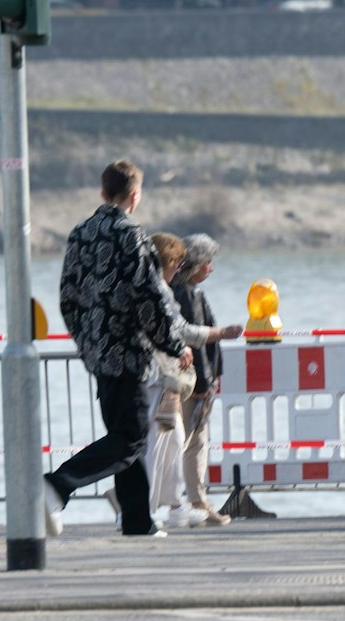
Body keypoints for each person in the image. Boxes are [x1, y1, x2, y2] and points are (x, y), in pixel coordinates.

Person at [45, 161, 243, 538]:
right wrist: (171, 344)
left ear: (104, 192)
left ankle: (137, 520)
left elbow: (67, 298)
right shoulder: (133, 236)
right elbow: (149, 298)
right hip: (130, 354)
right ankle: (57, 484)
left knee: (124, 435)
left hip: (98, 354)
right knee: (131, 438)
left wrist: (87, 342)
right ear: (134, 196)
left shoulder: (80, 235)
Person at [174, 233, 231, 527]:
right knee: (193, 442)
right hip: (193, 383)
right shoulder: (188, 295)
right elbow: (199, 342)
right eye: (208, 262)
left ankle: (195, 501)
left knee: (179, 442)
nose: (211, 268)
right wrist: (205, 384)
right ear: (195, 265)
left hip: (187, 381)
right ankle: (197, 502)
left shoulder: (179, 291)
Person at [145, 234, 196, 529]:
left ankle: (174, 503)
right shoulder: (157, 290)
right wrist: (207, 337)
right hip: (156, 376)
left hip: (165, 377)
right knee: (156, 443)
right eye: (178, 262)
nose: (180, 268)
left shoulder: (161, 287)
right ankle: (146, 508)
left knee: (173, 437)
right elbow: (172, 329)